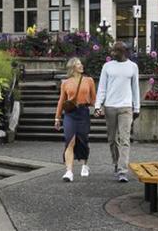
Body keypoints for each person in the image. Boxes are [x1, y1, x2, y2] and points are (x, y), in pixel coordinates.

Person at [94, 43, 141, 183]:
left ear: (124, 52)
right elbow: (102, 87)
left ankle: (122, 171)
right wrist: (98, 105)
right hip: (110, 107)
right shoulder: (107, 66)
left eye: (116, 51)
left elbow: (135, 88)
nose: (113, 53)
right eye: (113, 50)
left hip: (126, 107)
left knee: (125, 139)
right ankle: (116, 162)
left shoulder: (133, 67)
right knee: (112, 139)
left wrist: (136, 108)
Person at [53, 57, 95, 182]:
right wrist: (57, 117)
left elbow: (93, 99)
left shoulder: (89, 81)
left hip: (83, 112)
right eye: (78, 64)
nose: (81, 65)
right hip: (70, 114)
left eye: (81, 63)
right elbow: (61, 100)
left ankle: (85, 164)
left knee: (83, 140)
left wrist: (98, 108)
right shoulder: (65, 83)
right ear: (72, 67)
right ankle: (69, 172)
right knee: (69, 140)